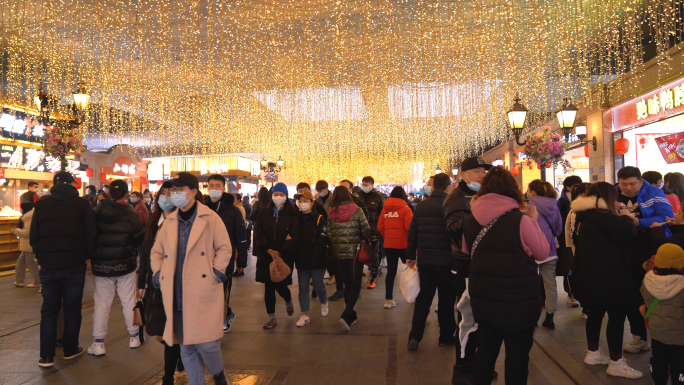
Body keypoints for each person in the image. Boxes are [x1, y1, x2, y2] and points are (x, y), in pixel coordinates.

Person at [461, 167, 549, 385]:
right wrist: (534, 222)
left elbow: (466, 251)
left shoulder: (470, 220)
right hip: (519, 302)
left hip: (484, 299)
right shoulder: (521, 220)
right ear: (513, 191)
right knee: (517, 358)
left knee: (486, 351)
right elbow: (542, 253)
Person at [150, 172, 232, 385]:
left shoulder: (210, 218)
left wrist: (216, 272)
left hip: (202, 289)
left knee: (207, 343)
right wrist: (159, 274)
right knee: (185, 346)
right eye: (173, 190)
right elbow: (156, 251)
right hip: (175, 291)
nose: (175, 194)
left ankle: (218, 372)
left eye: (180, 190)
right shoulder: (169, 221)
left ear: (194, 191)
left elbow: (224, 247)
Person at [571, 182, 642, 378]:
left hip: (589, 275)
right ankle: (616, 362)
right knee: (617, 317)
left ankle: (593, 353)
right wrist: (627, 217)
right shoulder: (603, 217)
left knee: (595, 313)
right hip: (610, 277)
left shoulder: (584, 216)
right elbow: (626, 233)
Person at [30, 171, 97, 368]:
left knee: (49, 310)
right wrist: (86, 256)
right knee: (73, 309)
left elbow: (34, 236)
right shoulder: (83, 205)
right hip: (74, 266)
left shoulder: (41, 205)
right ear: (71, 185)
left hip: (48, 266)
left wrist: (40, 255)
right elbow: (91, 234)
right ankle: (70, 350)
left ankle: (46, 357)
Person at [442, 156, 491, 381]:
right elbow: (453, 229)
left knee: (481, 317)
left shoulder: (483, 195)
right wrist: (476, 214)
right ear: (464, 175)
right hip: (464, 264)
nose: (482, 174)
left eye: (484, 171)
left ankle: (478, 364)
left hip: (483, 263)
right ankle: (462, 366)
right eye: (477, 171)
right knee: (466, 316)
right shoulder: (456, 197)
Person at [617, 166, 673, 354]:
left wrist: (639, 222)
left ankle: (661, 339)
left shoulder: (653, 192)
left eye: (632, 184)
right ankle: (639, 336)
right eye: (623, 184)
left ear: (641, 182)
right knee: (630, 294)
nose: (628, 188)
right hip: (625, 250)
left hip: (650, 248)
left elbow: (667, 217)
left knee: (653, 294)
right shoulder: (614, 194)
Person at [88, 180, 144, 355]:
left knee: (102, 304)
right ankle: (134, 337)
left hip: (101, 266)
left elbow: (90, 237)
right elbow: (138, 240)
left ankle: (98, 344)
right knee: (129, 301)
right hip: (125, 265)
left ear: (109, 193)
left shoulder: (96, 213)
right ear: (127, 194)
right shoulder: (132, 215)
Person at [404, 173, 456, 350]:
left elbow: (413, 233)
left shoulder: (421, 206)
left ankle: (415, 336)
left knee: (424, 298)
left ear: (433, 188)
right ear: (449, 187)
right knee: (446, 299)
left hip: (425, 260)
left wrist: (410, 255)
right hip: (447, 260)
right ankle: (446, 336)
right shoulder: (451, 205)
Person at [138, 182, 183, 385]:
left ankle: (168, 376)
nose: (165, 198)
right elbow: (145, 254)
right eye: (162, 194)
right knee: (160, 330)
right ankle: (180, 356)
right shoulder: (153, 220)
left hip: (175, 284)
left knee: (169, 330)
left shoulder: (182, 220)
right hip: (155, 284)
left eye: (170, 194)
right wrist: (142, 282)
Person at [204, 174, 248, 332]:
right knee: (208, 294)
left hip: (225, 260)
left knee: (222, 292)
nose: (214, 189)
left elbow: (241, 237)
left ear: (223, 188)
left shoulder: (233, 211)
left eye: (218, 186)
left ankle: (221, 321)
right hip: (204, 260)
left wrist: (241, 261)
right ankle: (225, 314)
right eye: (211, 186)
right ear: (207, 187)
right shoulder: (202, 208)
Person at [254, 182, 300, 329]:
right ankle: (271, 317)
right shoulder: (264, 213)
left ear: (286, 196)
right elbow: (259, 233)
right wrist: (268, 250)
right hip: (266, 256)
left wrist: (280, 251)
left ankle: (287, 299)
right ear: (271, 195)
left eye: (281, 195)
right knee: (268, 287)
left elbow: (294, 236)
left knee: (280, 284)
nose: (278, 197)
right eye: (275, 194)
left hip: (284, 257)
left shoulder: (292, 215)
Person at [640, 243, 684, 385]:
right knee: (679, 365)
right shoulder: (682, 284)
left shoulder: (648, 280)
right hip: (679, 337)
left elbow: (645, 298)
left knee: (659, 361)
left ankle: (659, 381)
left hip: (657, 334)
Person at [327, 186, 370, 330]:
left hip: (339, 254)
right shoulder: (357, 210)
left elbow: (329, 234)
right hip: (355, 254)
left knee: (347, 283)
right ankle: (346, 314)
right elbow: (366, 229)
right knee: (355, 284)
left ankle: (351, 314)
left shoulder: (332, 212)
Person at [527, 180, 563, 330]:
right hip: (550, 250)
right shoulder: (554, 206)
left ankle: (532, 317)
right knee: (550, 285)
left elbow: (526, 228)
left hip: (531, 250)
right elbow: (558, 229)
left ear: (533, 192)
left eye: (528, 190)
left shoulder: (529, 207)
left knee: (531, 284)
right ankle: (550, 317)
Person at [294, 190, 329, 326]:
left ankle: (324, 300)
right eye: (300, 201)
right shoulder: (296, 219)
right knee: (303, 287)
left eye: (305, 201)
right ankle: (305, 314)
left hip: (317, 259)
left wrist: (316, 258)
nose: (302, 204)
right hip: (301, 258)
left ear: (312, 203)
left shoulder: (320, 219)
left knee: (318, 284)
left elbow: (322, 241)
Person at [377, 186, 413, 309]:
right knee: (409, 271)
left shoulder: (385, 210)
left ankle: (388, 300)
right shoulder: (406, 209)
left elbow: (380, 227)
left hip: (389, 245)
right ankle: (412, 296)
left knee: (391, 273)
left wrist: (388, 236)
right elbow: (410, 228)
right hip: (404, 246)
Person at [564, 182, 592, 319]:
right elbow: (574, 234)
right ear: (582, 194)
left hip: (580, 250)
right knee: (581, 278)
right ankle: (586, 308)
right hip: (578, 250)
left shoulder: (585, 209)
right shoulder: (577, 210)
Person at [557, 175, 583, 308]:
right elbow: (559, 221)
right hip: (565, 240)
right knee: (569, 267)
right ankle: (571, 294)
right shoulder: (562, 202)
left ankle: (578, 294)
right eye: (576, 185)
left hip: (578, 241)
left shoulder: (579, 200)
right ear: (569, 187)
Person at [360, 176, 385, 289]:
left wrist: (380, 229)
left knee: (375, 254)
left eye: (366, 184)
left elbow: (383, 214)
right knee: (360, 253)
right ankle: (359, 275)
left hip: (374, 230)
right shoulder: (359, 196)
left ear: (372, 185)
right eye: (363, 184)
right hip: (360, 230)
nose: (364, 186)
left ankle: (374, 276)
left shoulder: (379, 197)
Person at [13, 201, 40, 288]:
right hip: (27, 244)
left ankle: (37, 281)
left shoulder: (28, 217)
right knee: (21, 262)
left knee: (31, 263)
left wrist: (16, 231)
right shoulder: (30, 215)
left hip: (29, 244)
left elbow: (27, 232)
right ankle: (19, 281)